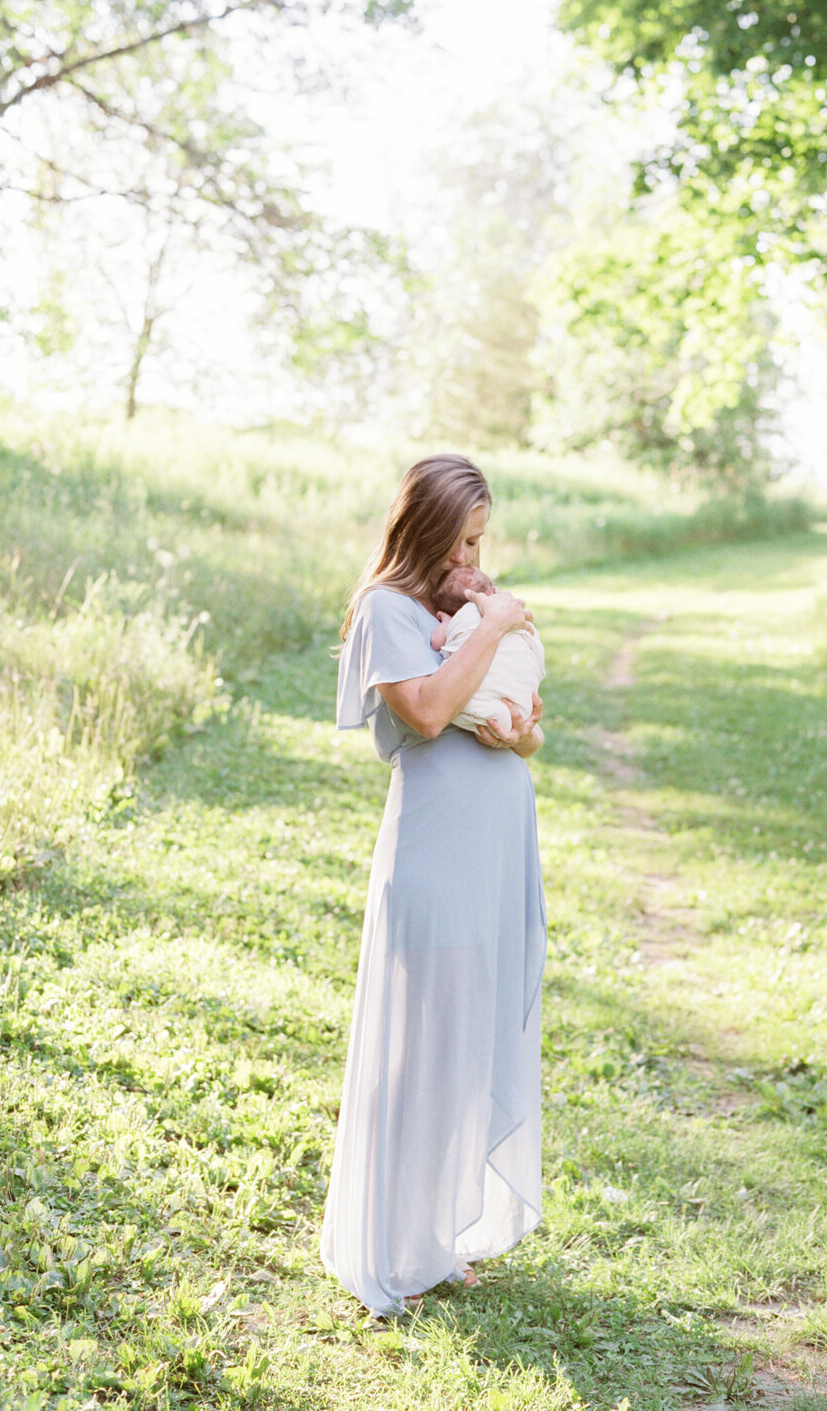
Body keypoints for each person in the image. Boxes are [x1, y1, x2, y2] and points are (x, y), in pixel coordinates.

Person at [320, 455, 546, 1318]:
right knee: (421, 1041)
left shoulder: (459, 612)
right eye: (463, 540)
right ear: (424, 532)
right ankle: (392, 1247)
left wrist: (515, 735)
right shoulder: (387, 610)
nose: (475, 558)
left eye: (480, 541)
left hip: (497, 834)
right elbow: (421, 710)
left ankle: (438, 1236)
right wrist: (495, 623)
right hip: (437, 845)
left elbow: (526, 733)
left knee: (468, 1035)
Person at [429, 564, 546, 738]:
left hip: (482, 710)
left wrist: (446, 622)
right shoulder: (512, 612)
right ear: (495, 591)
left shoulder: (459, 620)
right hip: (522, 707)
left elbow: (436, 642)